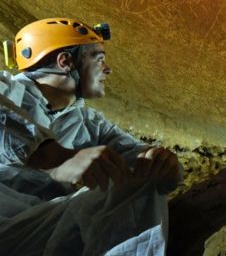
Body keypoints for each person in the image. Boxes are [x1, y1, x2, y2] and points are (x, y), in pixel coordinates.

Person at [0, 18, 182, 255]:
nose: (107, 69)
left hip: (40, 232)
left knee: (139, 180)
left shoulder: (90, 124)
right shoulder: (8, 91)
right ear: (66, 61)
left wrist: (162, 164)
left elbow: (135, 156)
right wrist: (56, 159)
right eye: (99, 59)